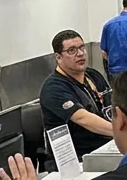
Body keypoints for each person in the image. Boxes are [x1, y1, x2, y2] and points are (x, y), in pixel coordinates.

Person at [40, 29, 113, 158]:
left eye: (81, 48)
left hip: (106, 147)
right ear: (58, 57)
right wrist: (122, 134)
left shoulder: (93, 76)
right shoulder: (54, 87)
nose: (80, 54)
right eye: (72, 51)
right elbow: (83, 118)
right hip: (76, 158)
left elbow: (113, 107)